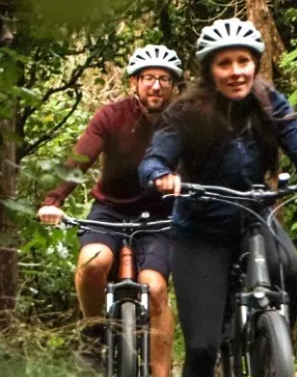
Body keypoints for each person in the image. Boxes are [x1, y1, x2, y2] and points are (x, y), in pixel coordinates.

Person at [138, 18, 297, 377]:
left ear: (255, 63)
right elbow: (155, 158)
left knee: (291, 272)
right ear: (210, 70)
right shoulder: (187, 112)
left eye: (243, 61)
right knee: (203, 348)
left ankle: (271, 343)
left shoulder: (269, 102)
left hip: (255, 218)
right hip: (201, 230)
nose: (236, 72)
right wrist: (161, 175)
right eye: (225, 64)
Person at [38, 44, 183, 377]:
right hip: (110, 210)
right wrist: (53, 200)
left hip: (159, 218)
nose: (156, 86)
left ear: (173, 85)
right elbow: (79, 159)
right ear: (134, 83)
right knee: (94, 263)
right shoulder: (111, 116)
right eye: (148, 78)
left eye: (164, 79)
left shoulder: (181, 123)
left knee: (156, 287)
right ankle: (93, 332)